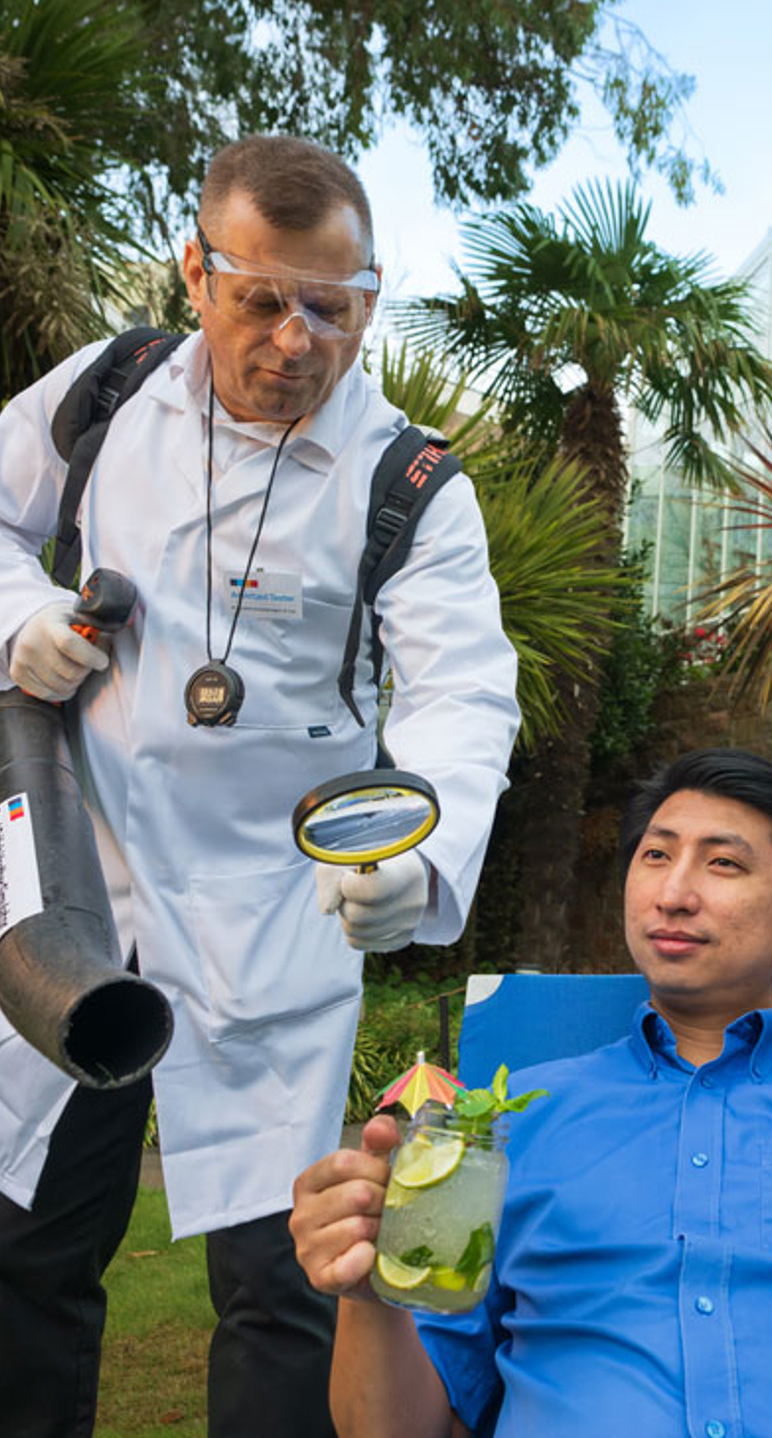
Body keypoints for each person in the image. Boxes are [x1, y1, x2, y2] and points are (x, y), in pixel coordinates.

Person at [0, 136, 520, 1438]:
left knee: (282, 1286)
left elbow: (463, 692)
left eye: (332, 309)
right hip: (85, 885)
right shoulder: (106, 394)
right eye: (263, 301)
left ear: (370, 296)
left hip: (272, 911)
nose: (297, 343)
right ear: (197, 273)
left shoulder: (411, 481)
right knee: (27, 1253)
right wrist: (20, 619)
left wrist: (422, 861)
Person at [291, 748, 772, 1438]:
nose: (673, 893)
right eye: (656, 857)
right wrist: (371, 1298)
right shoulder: (501, 1127)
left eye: (723, 864)